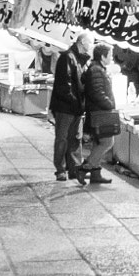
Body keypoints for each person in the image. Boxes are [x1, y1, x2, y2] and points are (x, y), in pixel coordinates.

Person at [79, 42, 121, 187]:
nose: (111, 58)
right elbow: (97, 92)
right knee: (107, 142)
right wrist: (109, 104)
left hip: (98, 111)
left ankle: (95, 174)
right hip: (100, 112)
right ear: (103, 56)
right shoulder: (96, 70)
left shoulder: (97, 68)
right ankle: (84, 168)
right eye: (109, 55)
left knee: (99, 142)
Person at [50, 33, 90, 179]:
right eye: (89, 43)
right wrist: (74, 102)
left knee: (76, 139)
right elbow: (64, 84)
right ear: (82, 42)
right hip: (65, 107)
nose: (90, 46)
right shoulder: (67, 57)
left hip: (76, 107)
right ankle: (60, 169)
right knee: (62, 138)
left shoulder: (80, 60)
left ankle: (74, 169)